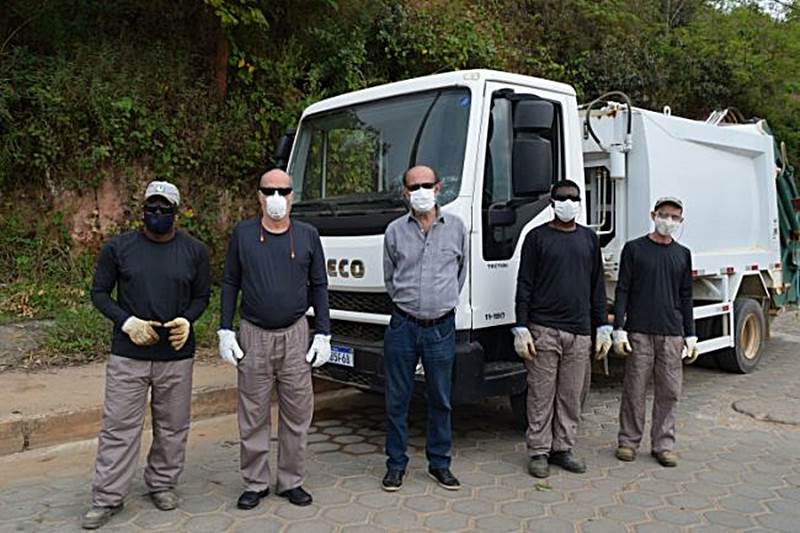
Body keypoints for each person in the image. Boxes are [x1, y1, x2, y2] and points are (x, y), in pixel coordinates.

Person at [82, 181, 210, 529]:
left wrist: (188, 319)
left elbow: (202, 297)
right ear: (142, 210)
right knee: (119, 427)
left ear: (176, 212)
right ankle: (107, 497)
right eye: (151, 207)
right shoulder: (119, 248)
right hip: (129, 354)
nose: (157, 214)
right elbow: (99, 293)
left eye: (164, 208)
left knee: (172, 426)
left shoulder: (195, 251)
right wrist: (127, 323)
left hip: (176, 355)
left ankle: (162, 483)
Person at [218, 168, 331, 509]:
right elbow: (230, 282)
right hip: (254, 334)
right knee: (253, 413)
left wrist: (323, 332)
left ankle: (291, 481)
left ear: (293, 196)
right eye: (269, 192)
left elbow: (320, 285)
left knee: (298, 412)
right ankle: (255, 482)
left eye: (283, 191)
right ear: (259, 196)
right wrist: (226, 329)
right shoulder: (244, 234)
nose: (276, 199)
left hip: (296, 333)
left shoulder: (309, 235)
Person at [513, 179, 612, 479]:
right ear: (552, 202)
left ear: (580, 203)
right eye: (562, 198)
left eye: (573, 198)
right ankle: (539, 451)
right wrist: (521, 327)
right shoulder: (536, 238)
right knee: (541, 394)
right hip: (543, 329)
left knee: (571, 395)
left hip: (580, 332)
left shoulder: (589, 239)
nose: (568, 202)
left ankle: (563, 449)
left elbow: (597, 285)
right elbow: (524, 284)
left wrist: (603, 327)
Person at [381, 165, 468, 492]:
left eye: (426, 185)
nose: (420, 191)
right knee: (397, 399)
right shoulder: (394, 231)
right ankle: (395, 465)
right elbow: (390, 279)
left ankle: (440, 464)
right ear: (405, 192)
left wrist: (439, 303)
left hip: (441, 328)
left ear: (438, 187)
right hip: (403, 325)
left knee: (441, 399)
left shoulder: (457, 228)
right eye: (413, 186)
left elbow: (460, 272)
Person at [609, 197, 697, 467]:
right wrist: (619, 329)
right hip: (639, 331)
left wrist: (690, 334)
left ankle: (663, 444)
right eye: (663, 214)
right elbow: (622, 288)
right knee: (634, 389)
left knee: (669, 391)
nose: (668, 221)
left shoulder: (682, 254)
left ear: (680, 221)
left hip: (671, 333)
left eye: (674, 217)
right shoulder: (634, 249)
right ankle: (628, 441)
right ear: (653, 215)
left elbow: (686, 295)